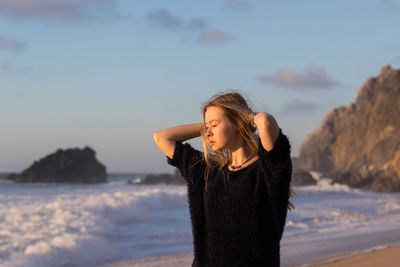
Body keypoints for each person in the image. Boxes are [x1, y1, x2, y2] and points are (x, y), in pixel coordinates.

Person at [153, 91, 294, 267]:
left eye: (214, 125)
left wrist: (243, 118)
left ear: (237, 123)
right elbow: (161, 137)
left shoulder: (268, 171)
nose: (208, 133)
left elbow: (265, 121)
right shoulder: (207, 172)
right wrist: (208, 125)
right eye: (206, 127)